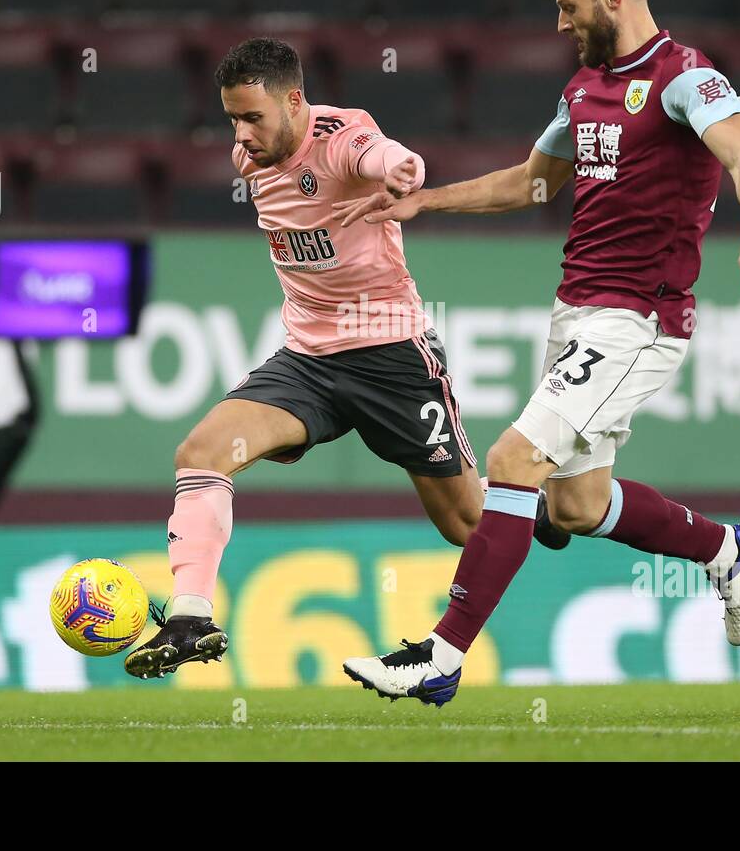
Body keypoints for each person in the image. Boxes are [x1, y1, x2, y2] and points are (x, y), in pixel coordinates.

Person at [338, 0, 740, 706]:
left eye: (568, 5)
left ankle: (441, 657)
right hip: (575, 309)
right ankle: (727, 549)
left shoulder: (684, 77)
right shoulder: (584, 87)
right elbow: (531, 182)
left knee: (514, 462)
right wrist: (426, 201)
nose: (559, 22)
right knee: (576, 505)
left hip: (639, 319)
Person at [123, 37, 483, 679]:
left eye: (253, 117)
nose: (241, 133)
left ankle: (562, 502)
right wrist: (252, 139)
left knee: (467, 524)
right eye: (232, 117)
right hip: (309, 363)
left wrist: (403, 170)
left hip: (389, 354)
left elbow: (384, 154)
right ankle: (190, 616)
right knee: (200, 455)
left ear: (295, 102)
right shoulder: (251, 154)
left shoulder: (344, 136)